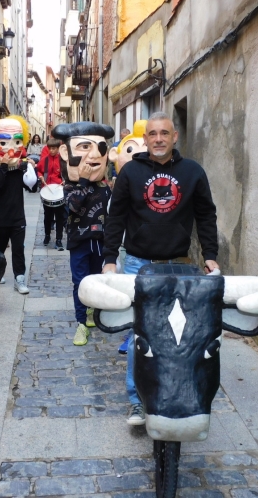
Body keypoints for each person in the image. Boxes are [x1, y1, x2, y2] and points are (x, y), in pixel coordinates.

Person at [102, 111, 219, 426]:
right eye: (152, 134)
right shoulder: (130, 173)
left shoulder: (192, 172)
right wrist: (110, 257)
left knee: (180, 335)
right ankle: (137, 400)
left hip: (178, 267)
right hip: (138, 265)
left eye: (164, 133)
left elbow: (206, 215)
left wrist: (210, 255)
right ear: (145, 138)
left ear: (174, 136)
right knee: (139, 333)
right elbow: (115, 217)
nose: (158, 139)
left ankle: (176, 393)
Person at [53, 121, 115, 346]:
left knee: (97, 280)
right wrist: (84, 180)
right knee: (80, 282)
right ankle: (81, 322)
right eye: (85, 147)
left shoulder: (105, 186)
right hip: (79, 242)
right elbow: (73, 206)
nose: (94, 155)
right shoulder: (69, 186)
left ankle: (92, 312)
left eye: (100, 148)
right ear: (65, 152)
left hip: (101, 241)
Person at [0, 116, 39, 295]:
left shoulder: (21, 167)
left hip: (17, 216)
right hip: (0, 217)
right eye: (3, 142)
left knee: (18, 249)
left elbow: (32, 187)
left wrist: (30, 170)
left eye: (16, 142)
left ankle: (19, 278)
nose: (10, 149)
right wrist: (4, 166)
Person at [107, 120, 148, 354]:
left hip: (144, 247)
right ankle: (129, 332)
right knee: (129, 294)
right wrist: (110, 255)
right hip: (126, 247)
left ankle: (135, 334)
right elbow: (114, 217)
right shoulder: (121, 183)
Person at [36, 138, 65, 250]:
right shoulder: (45, 160)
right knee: (47, 216)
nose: (52, 151)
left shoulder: (63, 160)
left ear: (58, 149)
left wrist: (65, 180)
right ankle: (47, 235)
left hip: (59, 189)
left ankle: (58, 239)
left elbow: (67, 173)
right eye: (50, 148)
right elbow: (38, 170)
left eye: (54, 148)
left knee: (59, 217)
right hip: (47, 189)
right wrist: (40, 176)